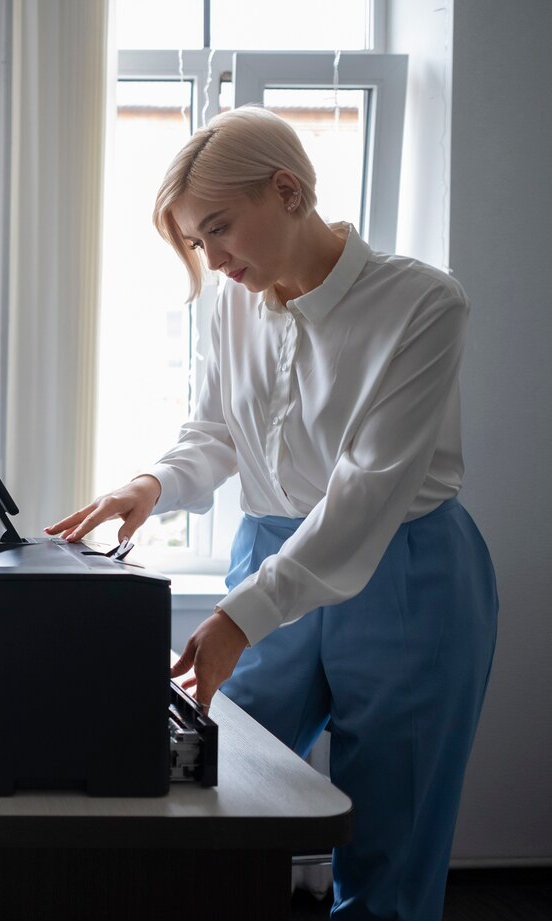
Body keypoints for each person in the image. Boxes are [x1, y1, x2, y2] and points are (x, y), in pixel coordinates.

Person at [46, 107, 497, 921]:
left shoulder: (425, 305)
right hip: (270, 553)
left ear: (288, 190)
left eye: (219, 230)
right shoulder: (231, 302)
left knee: (389, 844)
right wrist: (153, 484)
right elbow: (217, 431)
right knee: (207, 786)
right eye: (196, 243)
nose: (214, 261)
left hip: (407, 571)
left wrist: (239, 615)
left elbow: (363, 495)